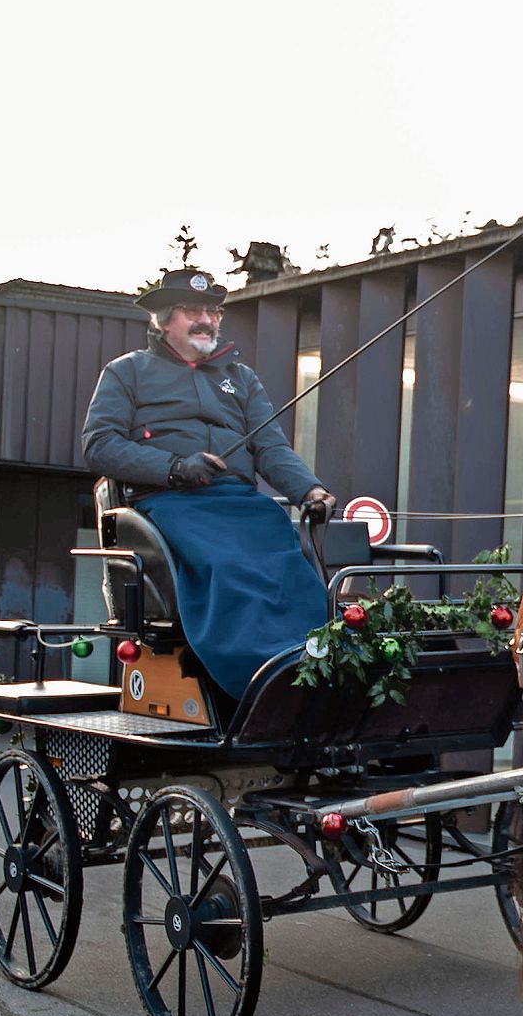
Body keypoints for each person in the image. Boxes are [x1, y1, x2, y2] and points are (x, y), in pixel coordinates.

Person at [82, 267, 335, 700]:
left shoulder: (241, 379)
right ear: (162, 319)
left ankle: (309, 665)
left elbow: (271, 448)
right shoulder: (127, 372)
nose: (206, 319)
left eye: (213, 311)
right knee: (229, 565)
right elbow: (100, 446)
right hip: (171, 504)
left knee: (289, 561)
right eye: (191, 310)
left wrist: (309, 490)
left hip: (241, 503)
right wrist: (176, 467)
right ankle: (253, 680)